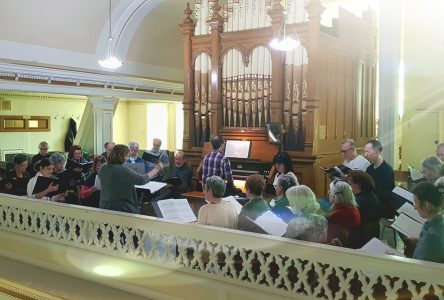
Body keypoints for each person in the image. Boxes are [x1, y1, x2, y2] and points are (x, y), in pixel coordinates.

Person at [99, 144, 163, 214]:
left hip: (104, 206)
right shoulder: (120, 169)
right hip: (120, 208)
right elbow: (141, 180)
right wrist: (157, 169)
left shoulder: (103, 167)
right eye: (127, 156)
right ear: (121, 156)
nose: (127, 158)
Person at [410, 182, 444, 263]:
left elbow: (422, 268)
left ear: (426, 204)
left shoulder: (432, 235)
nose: (414, 207)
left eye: (416, 202)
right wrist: (420, 241)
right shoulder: (437, 222)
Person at [347, 170, 381, 246]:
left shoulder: (359, 201)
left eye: (350, 184)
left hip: (361, 239)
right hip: (371, 236)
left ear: (358, 184)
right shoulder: (371, 194)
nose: (349, 187)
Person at [364, 139, 395, 218]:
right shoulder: (369, 168)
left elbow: (384, 194)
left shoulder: (387, 170)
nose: (365, 154)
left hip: (382, 205)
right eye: (365, 151)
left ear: (377, 152)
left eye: (368, 152)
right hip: (371, 201)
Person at [326, 181, 361, 246]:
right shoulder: (351, 207)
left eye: (330, 191)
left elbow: (328, 237)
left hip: (337, 248)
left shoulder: (339, 213)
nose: (328, 194)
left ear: (335, 195)